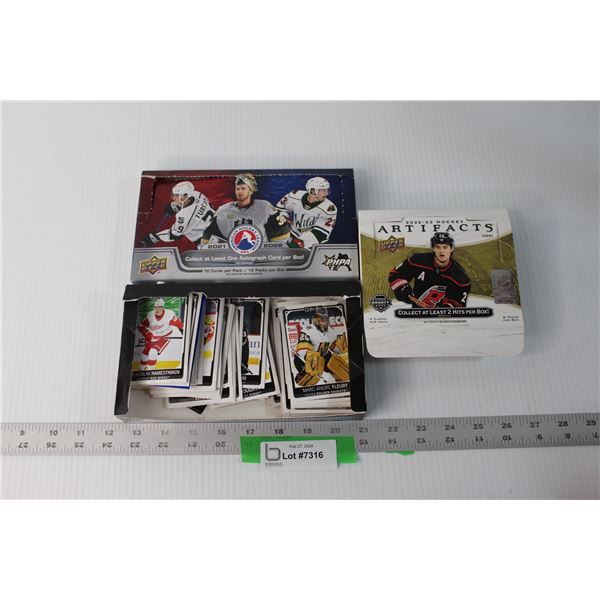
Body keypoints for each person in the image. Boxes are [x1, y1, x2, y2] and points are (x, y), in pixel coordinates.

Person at [200, 173, 289, 245]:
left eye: (243, 188)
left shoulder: (264, 207)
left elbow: (281, 234)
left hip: (261, 256)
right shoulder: (223, 211)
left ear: (251, 190)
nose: (240, 192)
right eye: (237, 189)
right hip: (232, 257)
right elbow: (208, 239)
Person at [388, 232, 471, 308]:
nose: (441, 251)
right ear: (433, 248)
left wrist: (445, 309)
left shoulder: (461, 278)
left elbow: (459, 305)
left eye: (445, 247)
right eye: (438, 247)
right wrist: (400, 286)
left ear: (451, 249)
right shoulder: (418, 260)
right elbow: (395, 273)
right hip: (416, 314)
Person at [141, 181, 214, 248]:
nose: (173, 198)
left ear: (185, 196)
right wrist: (176, 207)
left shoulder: (184, 216)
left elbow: (174, 235)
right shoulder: (197, 194)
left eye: (176, 195)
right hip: (216, 228)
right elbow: (193, 206)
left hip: (208, 244)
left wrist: (155, 237)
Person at [276, 176, 337, 248]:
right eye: (323, 190)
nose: (326, 193)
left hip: (316, 244)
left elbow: (321, 233)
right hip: (293, 235)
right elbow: (280, 208)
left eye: (327, 190)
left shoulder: (329, 208)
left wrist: (300, 243)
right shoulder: (294, 196)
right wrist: (283, 217)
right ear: (313, 191)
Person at [293, 309, 349, 386]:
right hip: (305, 359)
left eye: (325, 319)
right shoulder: (308, 330)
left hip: (323, 356)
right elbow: (302, 348)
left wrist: (342, 345)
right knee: (309, 378)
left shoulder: (329, 331)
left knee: (345, 373)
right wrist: (312, 360)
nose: (325, 322)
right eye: (321, 320)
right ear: (316, 321)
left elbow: (335, 347)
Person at [137, 298, 184, 370]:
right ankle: (141, 369)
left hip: (164, 337)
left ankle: (150, 371)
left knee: (153, 352)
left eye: (159, 307)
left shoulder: (169, 314)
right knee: (144, 355)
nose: (157, 309)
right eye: (155, 307)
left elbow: (180, 325)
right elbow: (141, 326)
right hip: (152, 337)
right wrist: (147, 333)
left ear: (163, 307)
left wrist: (184, 333)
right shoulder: (150, 315)